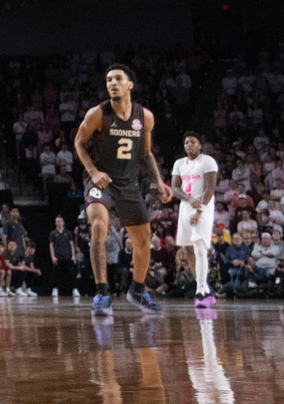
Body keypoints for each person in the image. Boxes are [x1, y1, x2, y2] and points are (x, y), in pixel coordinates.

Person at [73, 63, 171, 314]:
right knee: (98, 226)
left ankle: (137, 291)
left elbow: (146, 154)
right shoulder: (98, 113)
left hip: (128, 183)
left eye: (117, 79)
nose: (112, 83)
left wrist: (159, 181)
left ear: (130, 85)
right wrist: (94, 172)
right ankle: (102, 293)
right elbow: (79, 143)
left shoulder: (145, 116)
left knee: (143, 240)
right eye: (108, 80)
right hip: (100, 181)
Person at [170, 132, 219, 309]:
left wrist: (199, 210)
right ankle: (205, 288)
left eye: (192, 142)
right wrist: (189, 200)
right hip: (186, 207)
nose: (188, 145)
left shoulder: (207, 161)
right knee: (189, 249)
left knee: (199, 246)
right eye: (186, 143)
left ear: (200, 145)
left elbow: (210, 188)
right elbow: (175, 188)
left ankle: (200, 291)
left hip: (203, 207)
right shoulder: (179, 163)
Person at [48, 213, 79, 299]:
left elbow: (71, 244)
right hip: (58, 256)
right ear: (55, 223)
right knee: (56, 274)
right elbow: (51, 245)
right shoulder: (53, 233)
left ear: (63, 222)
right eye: (57, 221)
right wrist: (53, 256)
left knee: (72, 274)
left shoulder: (68, 233)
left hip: (67, 256)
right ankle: (55, 289)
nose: (59, 223)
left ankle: (75, 289)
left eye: (60, 221)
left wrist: (73, 255)